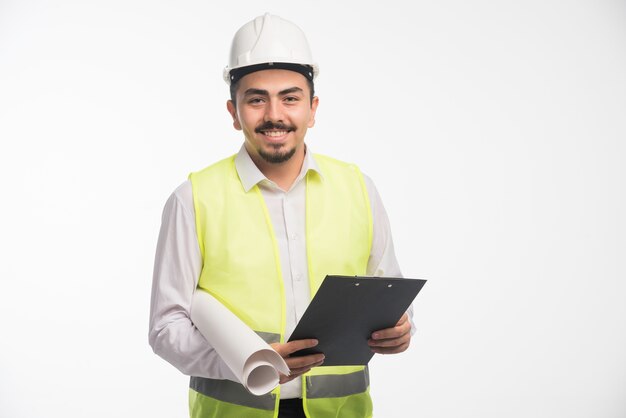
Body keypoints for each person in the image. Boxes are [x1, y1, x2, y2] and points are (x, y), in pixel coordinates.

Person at [149, 13, 413, 418]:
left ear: (312, 108)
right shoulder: (193, 199)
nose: (275, 114)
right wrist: (248, 364)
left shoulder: (359, 188)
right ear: (233, 112)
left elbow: (391, 293)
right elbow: (166, 328)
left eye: (290, 98)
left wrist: (401, 329)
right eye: (256, 99)